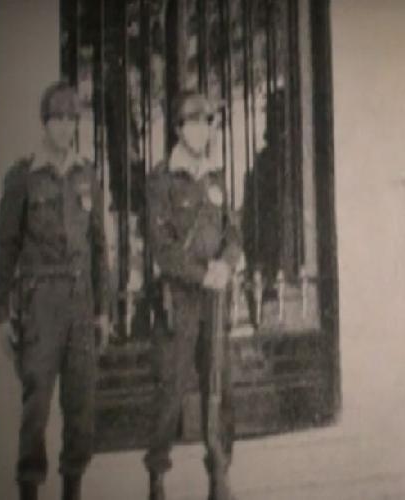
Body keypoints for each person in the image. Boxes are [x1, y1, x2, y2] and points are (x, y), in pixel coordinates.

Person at [0, 81, 113, 500]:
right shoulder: (23, 176)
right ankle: (29, 487)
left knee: (80, 405)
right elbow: (5, 247)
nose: (64, 127)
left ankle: (72, 488)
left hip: (81, 305)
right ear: (44, 123)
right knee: (37, 405)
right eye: (57, 119)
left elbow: (100, 246)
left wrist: (104, 310)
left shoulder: (87, 174)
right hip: (40, 305)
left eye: (71, 119)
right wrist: (0, 315)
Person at [142, 91, 243, 500]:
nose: (201, 131)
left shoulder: (216, 177)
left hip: (214, 300)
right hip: (179, 300)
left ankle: (219, 473)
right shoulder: (161, 179)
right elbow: (161, 247)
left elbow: (233, 232)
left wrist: (227, 263)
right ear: (180, 129)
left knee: (220, 387)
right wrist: (203, 274)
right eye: (194, 123)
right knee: (170, 389)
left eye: (207, 124)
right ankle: (157, 478)